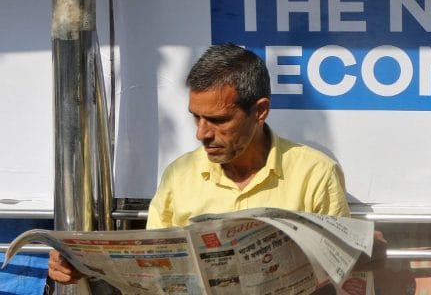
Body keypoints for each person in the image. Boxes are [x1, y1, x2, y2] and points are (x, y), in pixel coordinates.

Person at [48, 43, 386, 286]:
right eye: (195, 117)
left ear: (260, 111)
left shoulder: (314, 173)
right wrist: (87, 266)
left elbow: (339, 266)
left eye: (218, 120)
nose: (201, 134)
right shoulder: (179, 176)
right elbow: (149, 271)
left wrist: (366, 250)